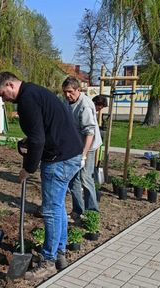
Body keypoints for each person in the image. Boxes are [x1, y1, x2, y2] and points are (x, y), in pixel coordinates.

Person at [0, 72, 83, 280]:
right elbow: (42, 129)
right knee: (58, 206)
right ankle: (60, 254)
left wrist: (28, 168)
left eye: (2, 94)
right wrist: (30, 140)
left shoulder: (26, 100)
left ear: (10, 84)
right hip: (71, 154)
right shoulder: (34, 91)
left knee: (50, 210)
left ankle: (48, 261)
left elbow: (38, 140)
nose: (3, 99)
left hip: (59, 159)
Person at [62, 77, 102, 222]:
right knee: (74, 179)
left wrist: (84, 156)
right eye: (65, 92)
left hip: (88, 145)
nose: (67, 95)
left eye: (70, 92)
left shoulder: (85, 105)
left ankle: (92, 213)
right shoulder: (66, 102)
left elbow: (89, 133)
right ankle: (78, 211)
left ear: (78, 90)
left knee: (85, 178)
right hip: (76, 144)